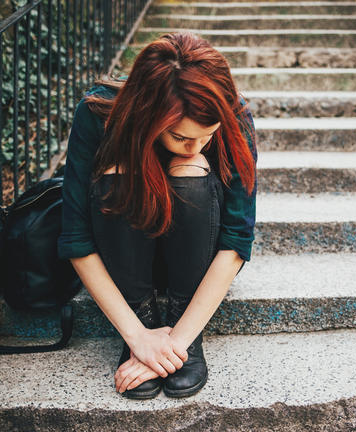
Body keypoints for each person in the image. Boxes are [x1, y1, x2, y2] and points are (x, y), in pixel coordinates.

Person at [58, 32, 257, 399]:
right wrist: (139, 338)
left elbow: (235, 240)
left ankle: (180, 320)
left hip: (197, 262)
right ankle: (145, 316)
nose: (197, 145)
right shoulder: (98, 113)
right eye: (181, 136)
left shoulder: (234, 114)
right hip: (123, 257)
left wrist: (177, 343)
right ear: (149, 116)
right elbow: (76, 238)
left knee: (190, 168)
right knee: (119, 170)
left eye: (207, 135)